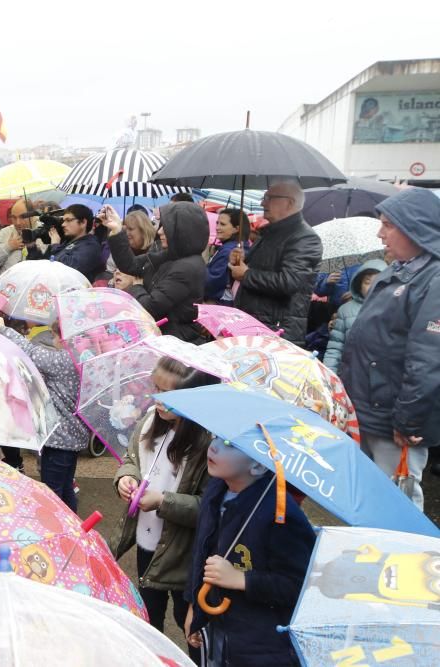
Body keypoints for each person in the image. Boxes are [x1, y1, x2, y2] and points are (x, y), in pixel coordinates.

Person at [339, 188, 440, 509]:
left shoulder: (433, 279)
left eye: (387, 225)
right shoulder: (399, 271)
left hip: (395, 421)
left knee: (397, 505)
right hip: (370, 409)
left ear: (415, 228)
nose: (380, 234)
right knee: (370, 499)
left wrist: (409, 421)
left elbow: (428, 358)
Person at [110, 359, 218, 651]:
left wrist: (163, 502)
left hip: (184, 555)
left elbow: (210, 508)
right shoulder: (148, 422)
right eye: (155, 389)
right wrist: (126, 478)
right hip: (147, 544)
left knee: (191, 627)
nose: (158, 399)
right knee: (149, 622)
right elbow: (131, 460)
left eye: (167, 395)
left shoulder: (208, 444)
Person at [184, 439, 316, 666]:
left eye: (230, 444)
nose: (213, 447)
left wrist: (242, 579)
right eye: (216, 437)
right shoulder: (216, 490)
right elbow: (201, 552)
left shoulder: (281, 514)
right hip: (218, 629)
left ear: (257, 466)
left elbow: (299, 585)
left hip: (260, 645)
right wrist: (194, 607)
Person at [0, 316, 82, 509]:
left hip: (58, 440)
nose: (53, 339)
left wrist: (3, 328)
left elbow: (30, 352)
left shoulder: (63, 360)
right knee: (66, 487)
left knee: (51, 493)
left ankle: (56, 529)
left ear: (64, 338)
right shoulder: (85, 358)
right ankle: (75, 525)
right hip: (74, 438)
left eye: (55, 335)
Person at [228, 180, 322, 346]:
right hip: (255, 325)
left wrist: (246, 274)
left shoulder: (305, 238)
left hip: (276, 331)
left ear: (290, 203)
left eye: (269, 198)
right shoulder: (269, 233)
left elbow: (290, 282)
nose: (263, 202)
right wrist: (240, 263)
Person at [105, 202, 210, 342]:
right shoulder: (171, 254)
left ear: (182, 231)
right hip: (158, 332)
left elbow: (150, 307)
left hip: (172, 339)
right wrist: (117, 230)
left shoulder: (187, 268)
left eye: (166, 227)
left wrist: (136, 286)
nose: (159, 231)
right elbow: (131, 265)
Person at [322, 259, 385, 372]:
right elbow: (335, 348)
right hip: (353, 373)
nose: (371, 286)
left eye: (377, 281)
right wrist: (329, 374)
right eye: (367, 282)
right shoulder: (345, 310)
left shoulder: (395, 306)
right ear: (359, 285)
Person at [46, 204, 105, 282]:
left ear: (83, 222)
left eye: (68, 220)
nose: (63, 224)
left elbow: (70, 268)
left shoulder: (91, 246)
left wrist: (55, 245)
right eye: (63, 221)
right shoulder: (69, 241)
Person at [0, 199, 41, 277]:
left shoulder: (45, 231)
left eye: (22, 217)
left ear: (32, 216)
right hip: (6, 286)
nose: (18, 222)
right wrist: (8, 247)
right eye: (14, 217)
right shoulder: (5, 233)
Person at [204, 208, 249, 305]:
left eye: (223, 224)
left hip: (219, 303)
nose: (217, 227)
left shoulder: (230, 251)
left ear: (236, 229)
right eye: (217, 223)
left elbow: (212, 282)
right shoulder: (236, 247)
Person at [105, 209, 156, 275]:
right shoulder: (120, 248)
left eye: (130, 229)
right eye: (125, 229)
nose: (126, 233)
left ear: (144, 231)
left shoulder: (154, 252)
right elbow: (109, 272)